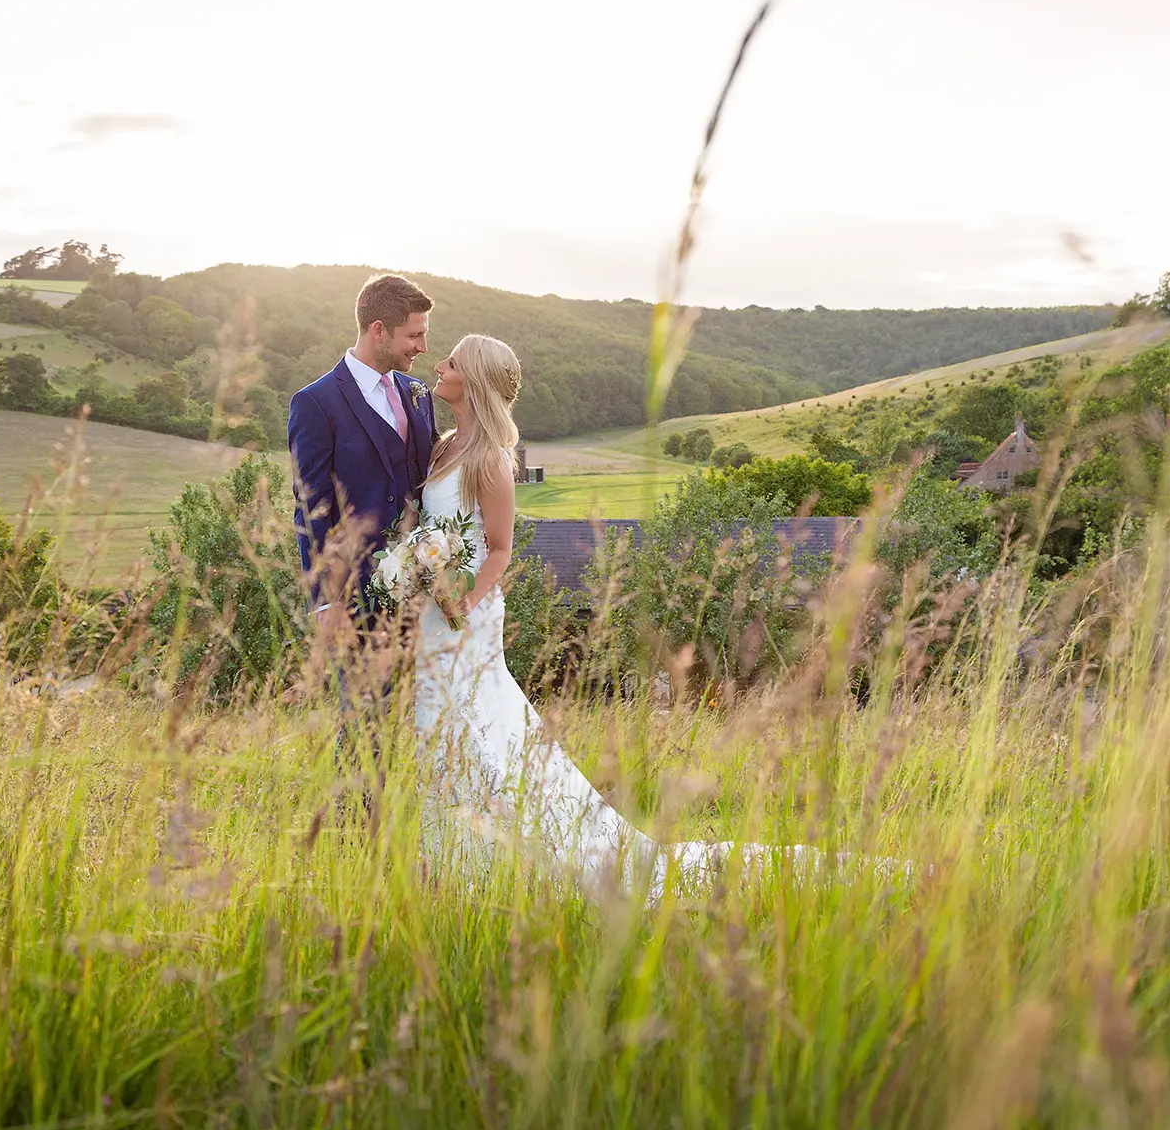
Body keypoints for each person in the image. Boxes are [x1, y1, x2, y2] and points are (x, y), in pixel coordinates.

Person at [412, 333, 822, 902]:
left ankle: (509, 859)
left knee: (480, 730)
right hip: (432, 616)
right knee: (438, 727)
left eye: (452, 361)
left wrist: (464, 603)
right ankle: (443, 863)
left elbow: (500, 549)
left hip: (468, 616)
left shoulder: (490, 460)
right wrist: (414, 569)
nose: (441, 365)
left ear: (473, 380)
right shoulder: (444, 445)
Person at [289, 274, 440, 802]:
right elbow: (311, 509)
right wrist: (324, 605)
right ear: (379, 330)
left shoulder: (418, 396)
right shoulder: (317, 403)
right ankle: (352, 839)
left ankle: (404, 824)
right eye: (413, 336)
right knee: (363, 717)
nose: (423, 347)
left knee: (412, 716)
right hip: (350, 595)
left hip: (419, 590)